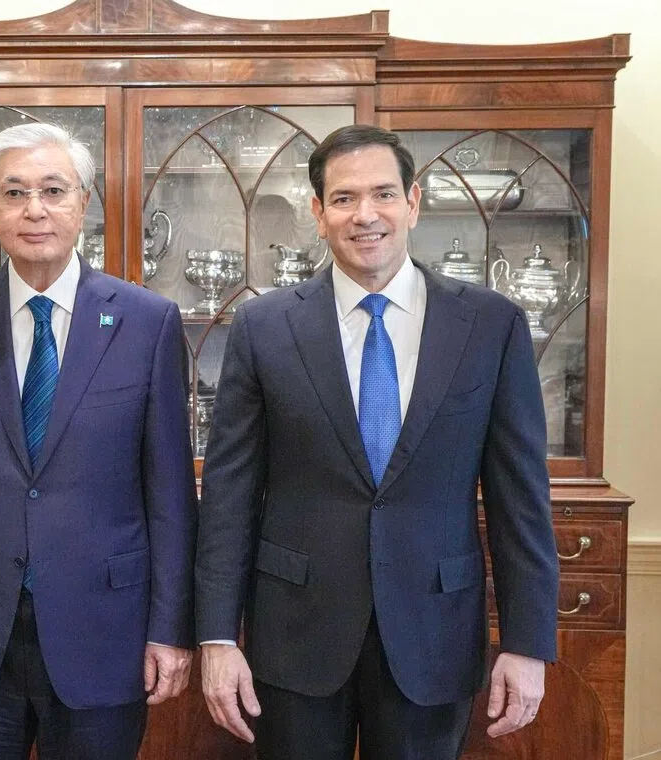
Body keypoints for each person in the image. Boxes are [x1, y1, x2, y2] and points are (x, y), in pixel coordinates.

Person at [194, 124, 559, 759]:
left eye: (384, 194)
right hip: (296, 634)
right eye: (344, 198)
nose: (366, 215)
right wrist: (217, 639)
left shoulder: (491, 325)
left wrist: (526, 643)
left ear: (413, 202)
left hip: (433, 631)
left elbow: (520, 499)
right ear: (318, 211)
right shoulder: (264, 326)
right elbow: (229, 495)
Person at [0, 122, 197, 759]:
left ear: (83, 203)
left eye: (53, 190)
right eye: (14, 192)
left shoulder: (147, 322)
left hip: (105, 633)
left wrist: (170, 631)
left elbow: (170, 495)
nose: (35, 209)